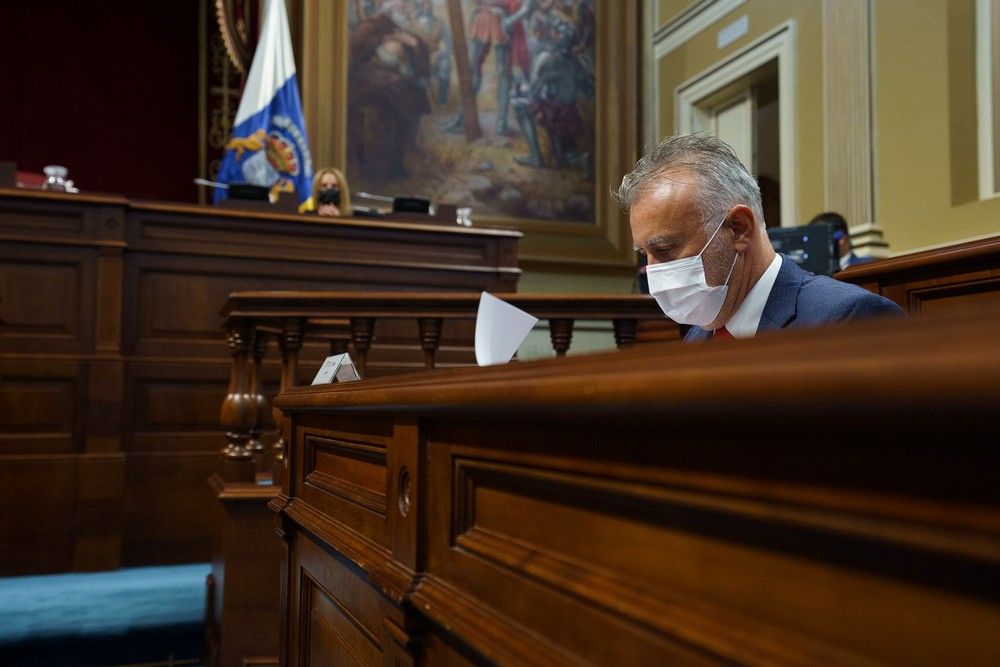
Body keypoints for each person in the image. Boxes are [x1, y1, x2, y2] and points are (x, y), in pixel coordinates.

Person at [614, 134, 903, 341]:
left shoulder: (845, 319)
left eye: (664, 249)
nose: (653, 275)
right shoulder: (697, 338)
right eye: (644, 254)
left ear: (739, 229)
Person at [808, 211, 875, 270]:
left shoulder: (866, 267)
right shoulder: (811, 273)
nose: (814, 245)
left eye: (819, 238)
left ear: (841, 239)